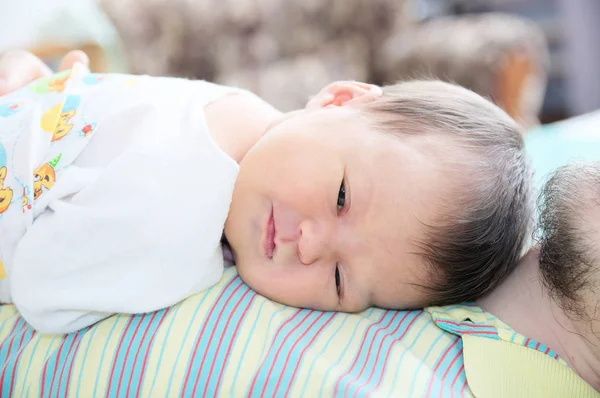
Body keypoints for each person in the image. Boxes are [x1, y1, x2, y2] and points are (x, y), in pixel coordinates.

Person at [0, 50, 531, 334]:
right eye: (342, 197)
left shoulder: (232, 111)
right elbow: (42, 291)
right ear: (339, 99)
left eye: (342, 280)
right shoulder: (176, 221)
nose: (311, 246)